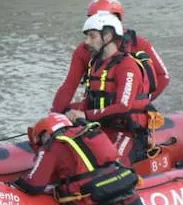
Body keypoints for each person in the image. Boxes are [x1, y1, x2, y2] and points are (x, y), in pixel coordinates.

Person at [15, 113, 156, 205]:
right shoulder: (93, 133)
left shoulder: (53, 146)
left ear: (44, 134)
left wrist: (15, 183)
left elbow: (33, 185)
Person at [55, 11, 154, 165]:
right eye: (86, 36)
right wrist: (64, 115)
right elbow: (91, 99)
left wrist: (86, 115)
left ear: (107, 36)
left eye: (92, 36)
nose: (86, 42)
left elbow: (123, 107)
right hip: (101, 127)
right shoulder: (96, 64)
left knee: (113, 167)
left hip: (127, 131)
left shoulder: (127, 66)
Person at [51, 0, 170, 116]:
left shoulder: (139, 45)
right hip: (100, 104)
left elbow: (163, 77)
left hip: (125, 109)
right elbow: (69, 86)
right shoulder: (84, 50)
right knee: (67, 110)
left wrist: (140, 101)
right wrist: (55, 116)